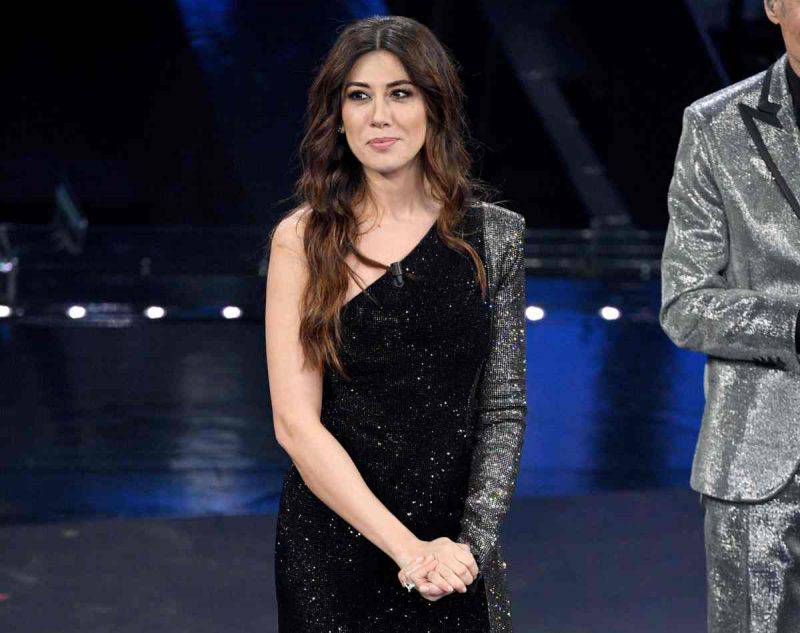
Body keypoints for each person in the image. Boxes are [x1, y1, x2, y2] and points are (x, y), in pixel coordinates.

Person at [263, 15, 527, 633]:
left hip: (456, 552)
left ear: (434, 106)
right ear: (338, 116)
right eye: (360, 96)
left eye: (400, 93)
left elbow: (503, 406)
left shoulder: (495, 236)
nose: (379, 117)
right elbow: (296, 425)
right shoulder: (303, 240)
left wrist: (469, 545)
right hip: (332, 549)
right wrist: (409, 551)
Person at [660, 1, 800, 630]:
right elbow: (685, 302)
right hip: (759, 465)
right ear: (773, 4)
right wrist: (793, 325)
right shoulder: (716, 124)